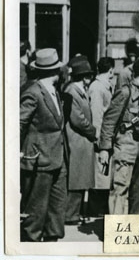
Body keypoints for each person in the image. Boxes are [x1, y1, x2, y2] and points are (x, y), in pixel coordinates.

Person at [98, 57, 139, 214]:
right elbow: (109, 121)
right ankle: (117, 225)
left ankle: (138, 224)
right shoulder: (124, 92)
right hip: (126, 144)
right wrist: (104, 149)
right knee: (120, 188)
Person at [20, 49, 67, 242]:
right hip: (39, 160)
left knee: (56, 211)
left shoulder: (54, 91)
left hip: (57, 158)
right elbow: (18, 123)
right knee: (36, 212)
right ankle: (31, 246)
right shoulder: (33, 92)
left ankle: (51, 243)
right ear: (54, 71)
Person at [62, 55, 97, 224]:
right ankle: (71, 215)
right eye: (89, 75)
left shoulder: (76, 90)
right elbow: (78, 119)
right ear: (84, 77)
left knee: (80, 178)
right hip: (77, 140)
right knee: (76, 179)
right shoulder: (72, 91)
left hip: (80, 141)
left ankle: (75, 213)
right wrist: (93, 131)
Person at [87, 56, 115, 216]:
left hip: (105, 135)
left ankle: (100, 209)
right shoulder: (98, 88)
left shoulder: (102, 86)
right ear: (111, 70)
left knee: (104, 174)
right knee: (100, 175)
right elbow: (97, 114)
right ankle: (95, 210)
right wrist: (99, 140)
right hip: (100, 137)